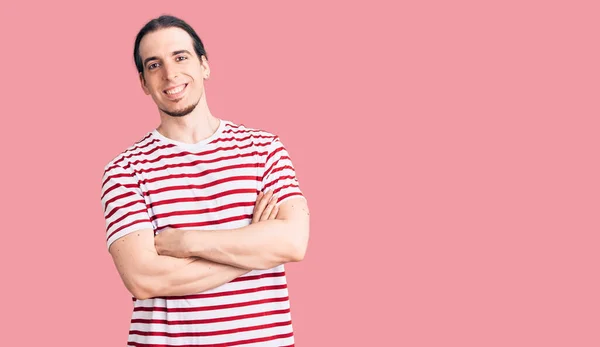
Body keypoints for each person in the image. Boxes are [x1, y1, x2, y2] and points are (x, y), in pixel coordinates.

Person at [100, 14, 310, 347]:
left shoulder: (264, 149)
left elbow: (293, 243)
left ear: (205, 66)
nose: (170, 74)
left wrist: (186, 242)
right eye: (154, 65)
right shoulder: (125, 170)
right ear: (143, 82)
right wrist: (253, 251)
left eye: (180, 57)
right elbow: (143, 279)